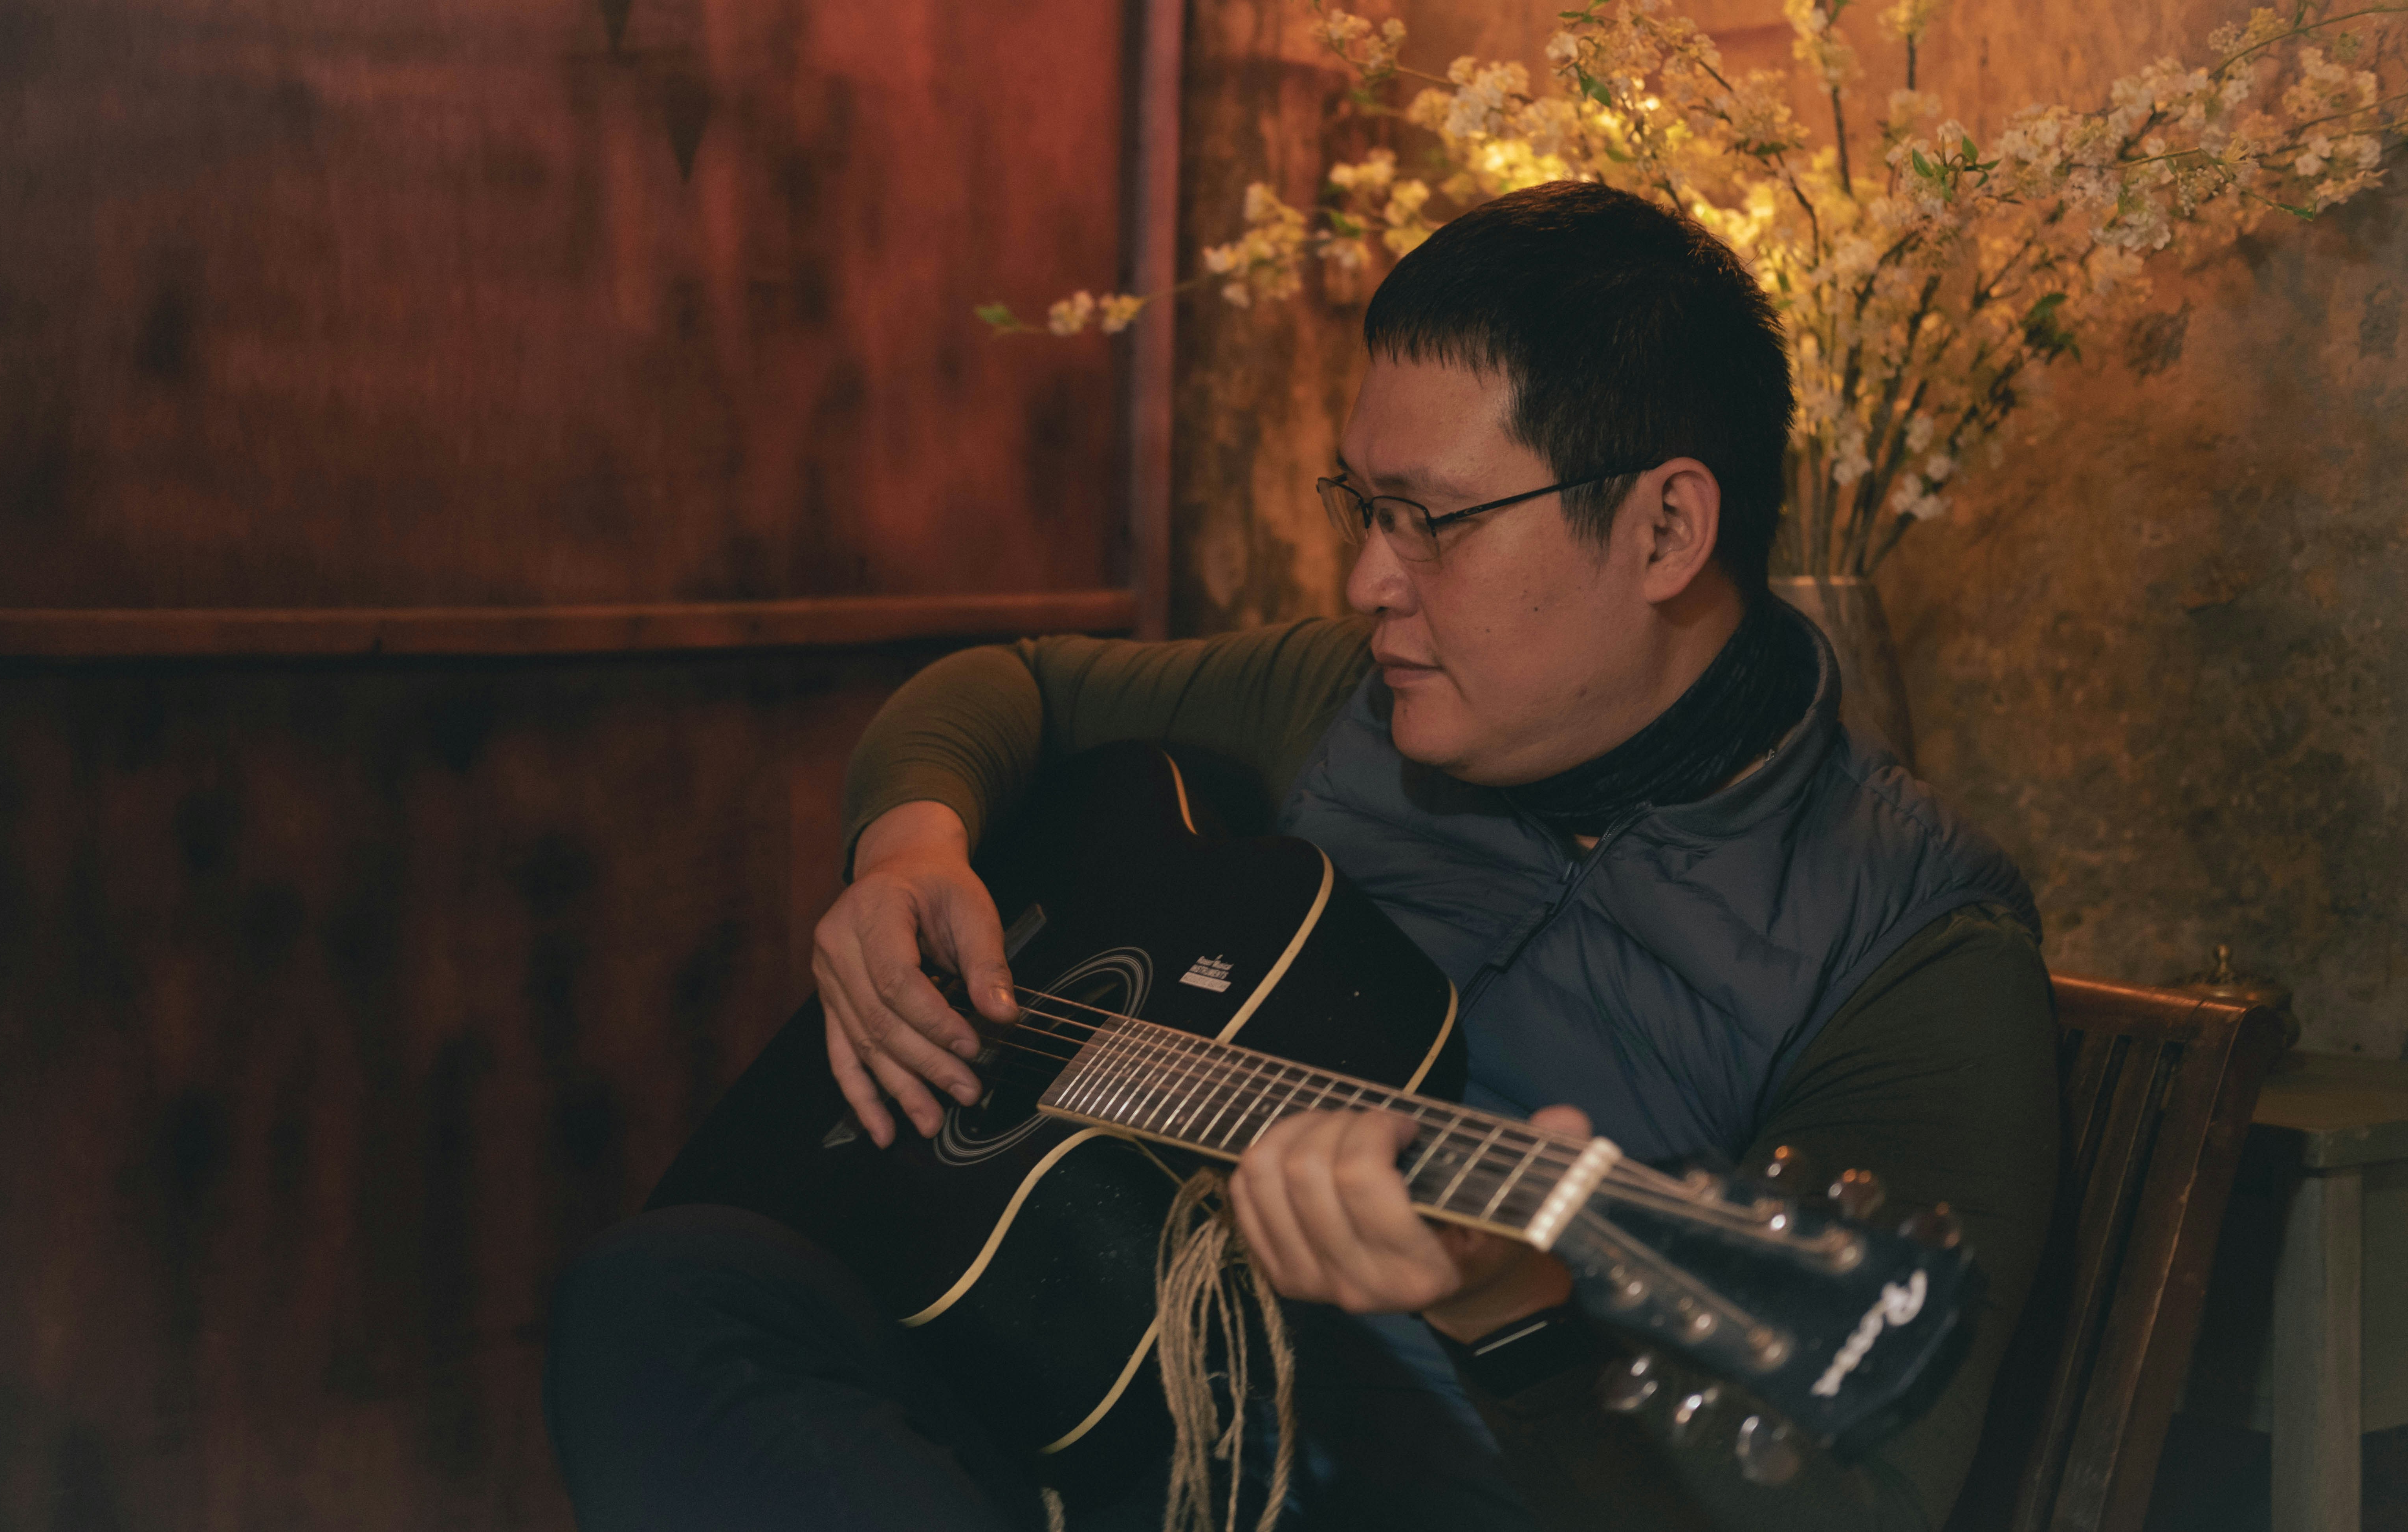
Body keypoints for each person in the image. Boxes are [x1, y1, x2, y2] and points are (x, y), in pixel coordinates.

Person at [544, 181, 2058, 1532]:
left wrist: (1514, 1312)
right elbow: (1010, 688)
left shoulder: (1913, 945)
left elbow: (1854, 1503)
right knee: (660, 1296)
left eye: (1430, 521)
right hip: (1056, 1388)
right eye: (1363, 504)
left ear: (1665, 531)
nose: (1363, 579)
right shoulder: (1336, 700)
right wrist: (910, 847)